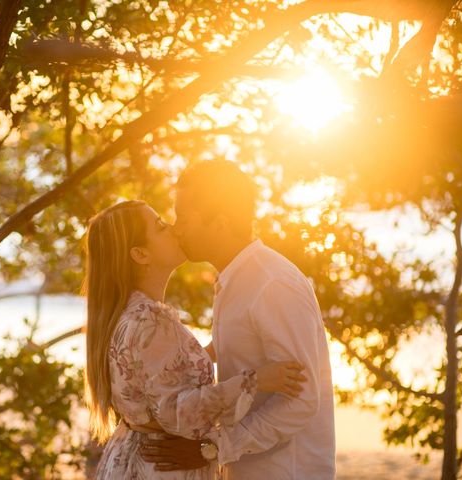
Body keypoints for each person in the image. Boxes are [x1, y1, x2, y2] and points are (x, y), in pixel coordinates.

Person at [140, 160, 336, 479]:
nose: (177, 228)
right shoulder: (234, 280)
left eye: (184, 217)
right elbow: (236, 345)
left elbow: (301, 399)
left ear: (219, 223)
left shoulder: (273, 284)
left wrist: (214, 446)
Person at [83, 200, 307, 479]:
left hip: (131, 458)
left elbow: (159, 378)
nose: (175, 229)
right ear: (140, 254)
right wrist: (255, 380)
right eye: (161, 226)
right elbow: (178, 414)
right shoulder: (152, 320)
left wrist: (217, 348)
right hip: (164, 467)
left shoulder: (130, 314)